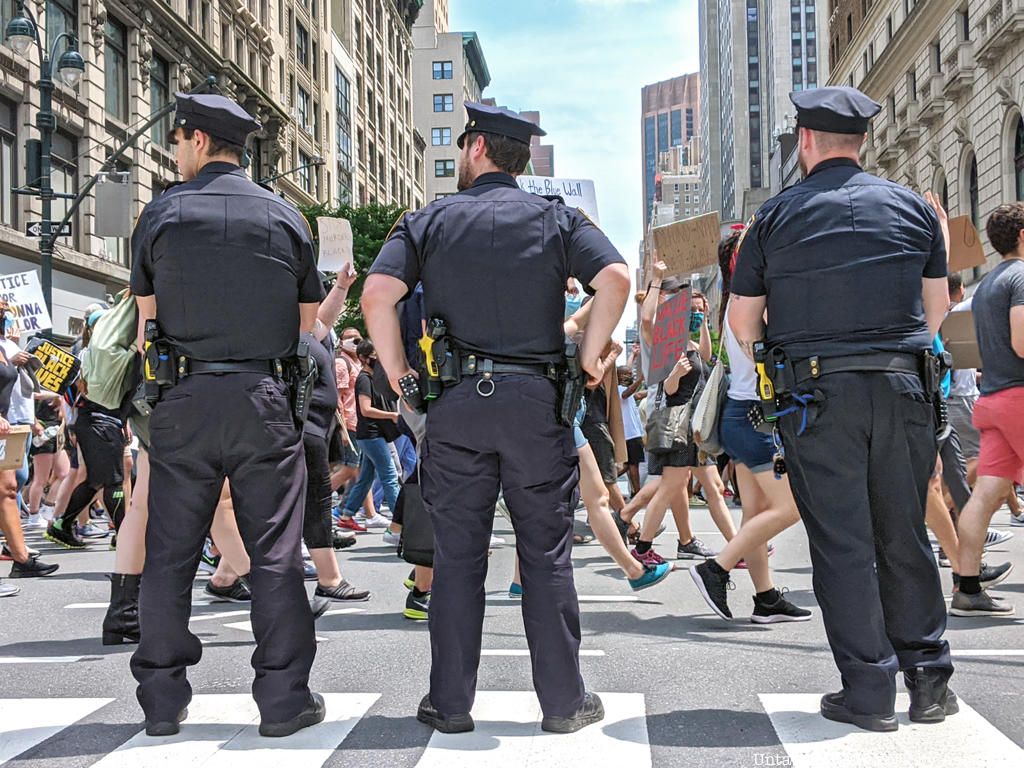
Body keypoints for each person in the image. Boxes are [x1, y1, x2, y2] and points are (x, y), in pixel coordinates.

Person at [361, 101, 630, 735]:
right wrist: (589, 357)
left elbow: (377, 295)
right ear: (522, 158)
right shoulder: (556, 219)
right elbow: (616, 277)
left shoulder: (427, 220)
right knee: (546, 555)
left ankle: (450, 705)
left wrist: (402, 380)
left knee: (458, 558)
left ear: (477, 147)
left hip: (456, 406)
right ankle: (564, 705)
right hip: (537, 404)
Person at [729, 86, 954, 732]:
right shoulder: (913, 209)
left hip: (816, 396)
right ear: (862, 143)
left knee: (843, 544)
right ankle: (930, 682)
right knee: (904, 532)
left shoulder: (772, 220)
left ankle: (869, 691)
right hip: (904, 386)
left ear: (805, 142)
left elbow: (743, 324)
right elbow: (934, 312)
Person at [127, 93, 324, 738]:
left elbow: (145, 328)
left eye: (178, 139)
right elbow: (306, 330)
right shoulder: (287, 218)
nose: (175, 150)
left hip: (183, 399)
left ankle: (161, 702)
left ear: (196, 139)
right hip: (263, 400)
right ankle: (283, 700)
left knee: (171, 553)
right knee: (275, 552)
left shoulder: (161, 214)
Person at [689, 231, 810, 624]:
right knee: (791, 507)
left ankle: (766, 598)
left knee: (755, 513)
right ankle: (717, 568)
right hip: (755, 420)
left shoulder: (734, 303)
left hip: (743, 419)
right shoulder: (753, 304)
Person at [950, 203, 1024, 617]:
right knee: (986, 496)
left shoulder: (987, 286)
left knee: (985, 496)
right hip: (1018, 396)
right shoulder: (1021, 278)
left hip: (992, 398)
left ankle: (969, 588)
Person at [335, 339, 402, 526]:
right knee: (390, 476)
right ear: (364, 358)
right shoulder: (364, 379)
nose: (378, 358)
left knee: (365, 478)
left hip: (374, 434)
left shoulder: (376, 377)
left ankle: (346, 515)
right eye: (374, 355)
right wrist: (392, 415)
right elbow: (365, 409)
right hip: (371, 435)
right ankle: (401, 523)